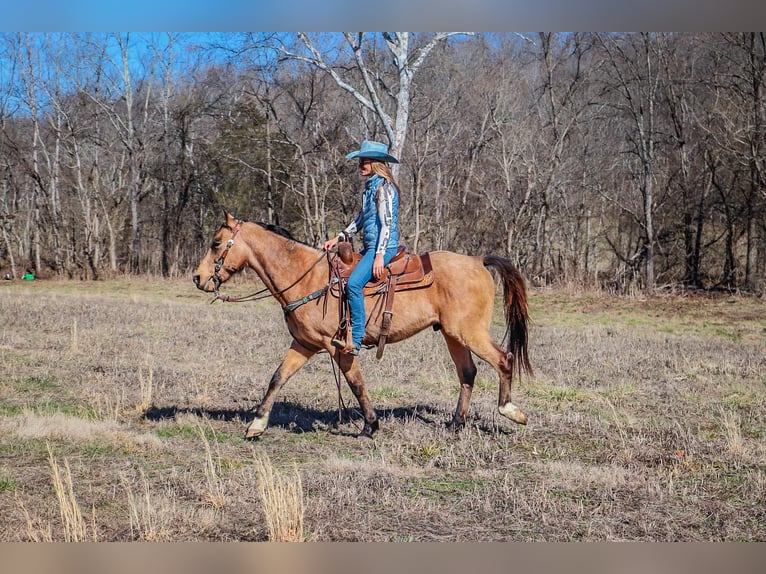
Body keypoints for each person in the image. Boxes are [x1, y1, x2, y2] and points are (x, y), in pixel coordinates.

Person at [323, 140, 401, 356]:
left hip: (383, 247)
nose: (360, 165)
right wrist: (338, 238)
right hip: (371, 247)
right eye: (360, 161)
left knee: (354, 284)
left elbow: (386, 225)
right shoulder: (370, 188)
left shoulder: (384, 189)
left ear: (376, 162)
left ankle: (356, 339)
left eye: (364, 161)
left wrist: (379, 256)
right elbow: (360, 220)